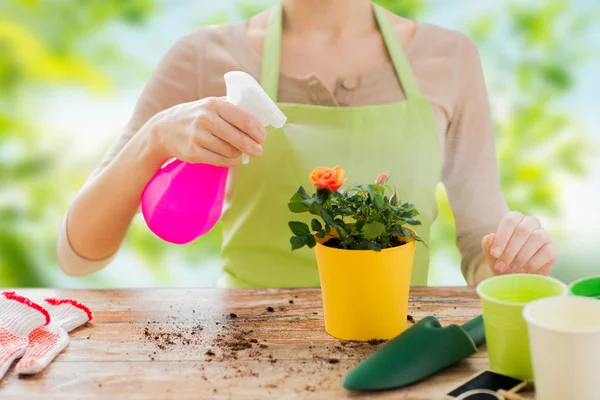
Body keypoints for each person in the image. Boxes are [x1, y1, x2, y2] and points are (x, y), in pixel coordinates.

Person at [57, 0, 559, 287]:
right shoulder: (202, 56)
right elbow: (78, 254)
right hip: (241, 352)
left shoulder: (449, 57)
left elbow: (481, 247)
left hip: (395, 346)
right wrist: (154, 139)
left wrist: (510, 261)